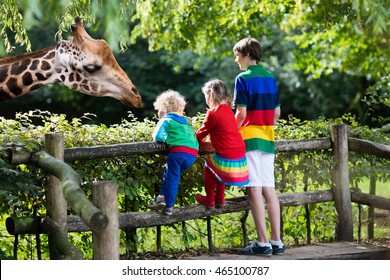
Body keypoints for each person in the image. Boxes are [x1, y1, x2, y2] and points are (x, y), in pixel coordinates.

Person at [233, 38, 285, 255]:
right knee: (269, 189)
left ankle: (262, 243)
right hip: (268, 137)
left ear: (246, 54)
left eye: (237, 55)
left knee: (254, 187)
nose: (236, 60)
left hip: (250, 139)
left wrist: (232, 133)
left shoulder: (242, 78)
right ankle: (277, 241)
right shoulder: (271, 77)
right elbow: (277, 113)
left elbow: (241, 113)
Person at [195, 79, 249, 209]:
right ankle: (220, 198)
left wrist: (195, 140)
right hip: (240, 156)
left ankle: (209, 200)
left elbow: (201, 133)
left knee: (209, 166)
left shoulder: (213, 113)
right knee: (219, 169)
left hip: (227, 157)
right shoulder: (229, 111)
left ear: (210, 96)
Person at [148, 90, 199, 215]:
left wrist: (166, 138)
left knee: (172, 179)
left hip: (178, 152)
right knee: (170, 175)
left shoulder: (167, 119)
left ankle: (169, 207)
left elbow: (158, 137)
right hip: (192, 154)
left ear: (163, 108)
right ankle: (161, 198)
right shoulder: (188, 122)